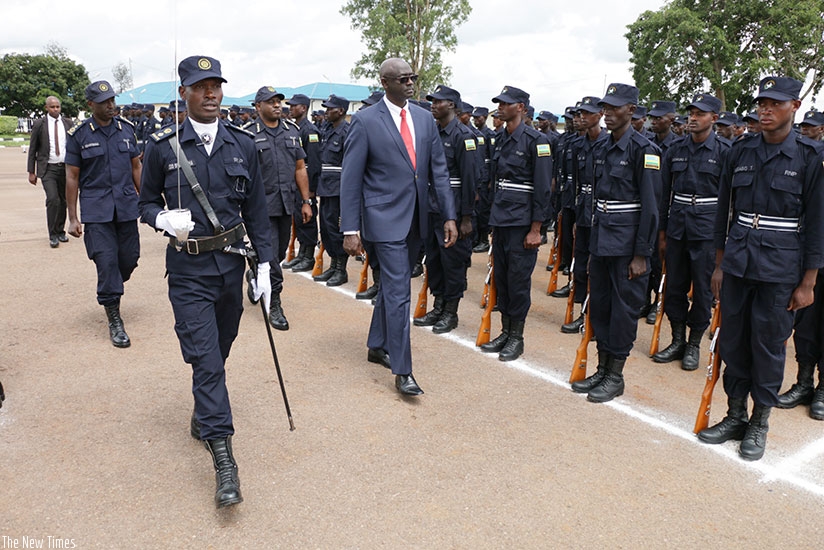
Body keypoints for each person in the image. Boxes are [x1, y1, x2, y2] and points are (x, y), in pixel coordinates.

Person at [139, 55, 274, 507]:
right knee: (208, 361)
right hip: (188, 270)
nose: (211, 93)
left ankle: (204, 406)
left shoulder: (244, 144)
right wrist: (161, 217)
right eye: (202, 87)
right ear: (184, 94)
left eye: (216, 85)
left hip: (231, 266)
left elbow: (257, 212)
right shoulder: (163, 146)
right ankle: (224, 461)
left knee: (222, 345)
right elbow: (142, 203)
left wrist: (267, 267)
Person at [698, 77, 824, 460]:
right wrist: (720, 264)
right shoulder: (741, 150)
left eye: (775, 103)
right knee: (734, 341)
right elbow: (724, 210)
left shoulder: (810, 156)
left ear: (794, 107)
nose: (765, 110)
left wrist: (808, 282)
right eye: (761, 103)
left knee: (768, 346)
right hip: (737, 262)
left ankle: (759, 422)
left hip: (781, 267)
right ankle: (734, 413)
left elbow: (818, 223)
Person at [340, 57, 457, 396]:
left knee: (395, 285)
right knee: (398, 293)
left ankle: (377, 344)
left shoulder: (423, 118)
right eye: (402, 78)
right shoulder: (364, 121)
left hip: (417, 219)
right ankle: (403, 370)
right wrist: (350, 228)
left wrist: (448, 216)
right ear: (385, 83)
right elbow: (351, 179)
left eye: (412, 77)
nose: (410, 83)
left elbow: (438, 171)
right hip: (384, 220)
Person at [570, 83, 660, 403]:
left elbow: (651, 208)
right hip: (602, 239)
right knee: (602, 307)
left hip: (627, 245)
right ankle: (602, 367)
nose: (607, 113)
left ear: (631, 111)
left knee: (623, 311)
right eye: (605, 107)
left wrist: (642, 254)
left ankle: (616, 375)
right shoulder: (602, 148)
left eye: (614, 108)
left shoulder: (644, 151)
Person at [653, 93, 729, 370]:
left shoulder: (724, 152)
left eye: (701, 114)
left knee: (702, 290)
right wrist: (661, 232)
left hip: (707, 231)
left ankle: (694, 343)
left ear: (714, 118)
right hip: (677, 227)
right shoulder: (675, 149)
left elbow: (729, 202)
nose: (693, 118)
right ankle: (676, 339)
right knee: (674, 285)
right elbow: (663, 195)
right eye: (691, 113)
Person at [65, 81, 141, 348]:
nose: (110, 105)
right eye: (104, 101)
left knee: (129, 260)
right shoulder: (79, 135)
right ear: (90, 105)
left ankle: (113, 288)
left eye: (112, 99)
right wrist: (73, 217)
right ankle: (114, 317)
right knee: (107, 262)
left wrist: (147, 202)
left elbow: (136, 166)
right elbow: (72, 176)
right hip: (97, 211)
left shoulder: (127, 130)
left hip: (127, 207)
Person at [479, 86, 552, 361]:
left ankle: (516, 338)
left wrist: (537, 229)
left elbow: (544, 188)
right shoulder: (499, 138)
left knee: (518, 282)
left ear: (521, 107)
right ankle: (505, 331)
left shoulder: (537, 141)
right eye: (499, 103)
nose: (500, 107)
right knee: (503, 279)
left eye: (506, 103)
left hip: (523, 224)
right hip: (501, 220)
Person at [246, 86, 313, 330]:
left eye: (278, 101)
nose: (277, 105)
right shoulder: (247, 134)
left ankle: (255, 275)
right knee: (271, 257)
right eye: (270, 101)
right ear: (258, 106)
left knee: (279, 253)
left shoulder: (292, 132)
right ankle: (274, 302)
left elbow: (300, 168)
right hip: (259, 209)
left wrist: (306, 201)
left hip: (287, 205)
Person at [413, 85, 477, 334]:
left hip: (454, 210)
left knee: (453, 262)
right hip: (432, 208)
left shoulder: (464, 136)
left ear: (451, 104)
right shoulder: (433, 132)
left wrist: (466, 216)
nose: (433, 105)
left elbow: (471, 179)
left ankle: (450, 311)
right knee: (435, 260)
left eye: (438, 101)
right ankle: (438, 306)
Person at [562, 97, 609, 333]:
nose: (581, 117)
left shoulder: (609, 144)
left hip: (602, 217)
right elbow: (578, 184)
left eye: (587, 113)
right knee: (580, 267)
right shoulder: (578, 146)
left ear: (600, 115)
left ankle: (596, 316)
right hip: (583, 215)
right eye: (579, 113)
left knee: (598, 270)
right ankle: (583, 312)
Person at [313, 94, 351, 287]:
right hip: (325, 187)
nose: (326, 111)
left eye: (330, 109)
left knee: (337, 230)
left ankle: (340, 269)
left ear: (341, 111)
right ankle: (333, 264)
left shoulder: (347, 131)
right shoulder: (327, 130)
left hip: (339, 189)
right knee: (326, 229)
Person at [282, 93, 321, 273]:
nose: (291, 108)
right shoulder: (295, 127)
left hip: (306, 184)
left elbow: (313, 163)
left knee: (308, 220)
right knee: (298, 218)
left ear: (303, 108)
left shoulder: (310, 131)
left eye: (294, 105)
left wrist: (311, 189)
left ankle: (308, 256)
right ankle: (302, 253)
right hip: (295, 183)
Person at [27, 96, 73, 248]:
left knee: (63, 200)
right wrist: (31, 171)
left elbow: (74, 146)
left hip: (65, 168)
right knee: (53, 199)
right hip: (48, 169)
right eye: (52, 107)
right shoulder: (40, 124)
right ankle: (52, 234)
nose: (55, 109)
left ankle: (60, 231)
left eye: (58, 107)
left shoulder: (68, 123)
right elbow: (33, 148)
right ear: (46, 108)